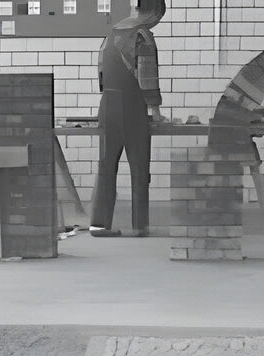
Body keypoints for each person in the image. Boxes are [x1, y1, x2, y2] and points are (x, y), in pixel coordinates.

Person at [90, 0, 166, 237]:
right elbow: (147, 74)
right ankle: (138, 226)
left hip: (108, 105)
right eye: (159, 17)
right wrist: (155, 109)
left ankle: (99, 225)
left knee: (106, 166)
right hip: (133, 107)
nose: (157, 23)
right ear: (154, 12)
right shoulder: (142, 35)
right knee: (139, 168)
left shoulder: (110, 33)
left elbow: (101, 72)